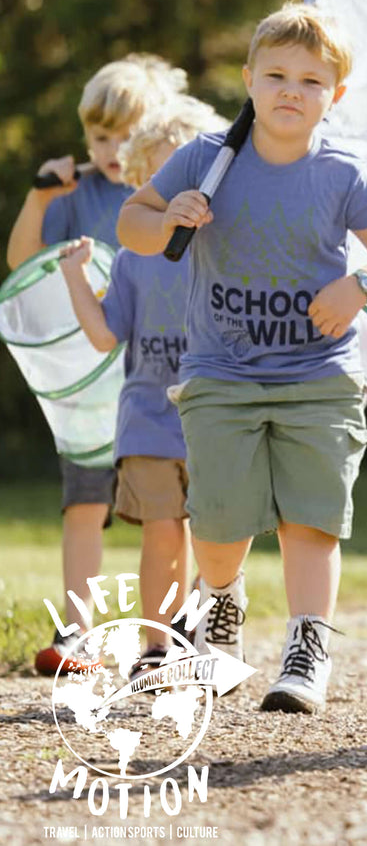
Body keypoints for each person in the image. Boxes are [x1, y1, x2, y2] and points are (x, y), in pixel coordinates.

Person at [117, 3, 367, 713]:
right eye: (278, 75)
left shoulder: (343, 173)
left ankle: (305, 647)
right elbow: (132, 222)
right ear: (250, 81)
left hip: (319, 376)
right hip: (220, 373)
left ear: (335, 97)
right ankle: (222, 594)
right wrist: (167, 217)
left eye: (312, 81)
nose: (293, 90)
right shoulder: (206, 157)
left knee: (310, 518)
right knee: (219, 527)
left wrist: (364, 283)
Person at [6, 54, 184, 676]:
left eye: (126, 136)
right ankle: (77, 635)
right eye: (100, 136)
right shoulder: (74, 194)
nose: (112, 150)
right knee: (85, 503)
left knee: (166, 514)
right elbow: (21, 265)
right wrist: (40, 196)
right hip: (91, 385)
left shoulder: (163, 190)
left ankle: (171, 634)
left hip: (156, 380)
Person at [58, 102, 227, 678]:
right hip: (150, 421)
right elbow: (106, 336)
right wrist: (75, 277)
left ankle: (211, 640)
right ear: (142, 184)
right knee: (161, 534)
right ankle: (157, 649)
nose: (178, 193)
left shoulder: (226, 250)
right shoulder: (132, 260)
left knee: (218, 538)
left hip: (216, 419)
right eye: (162, 180)